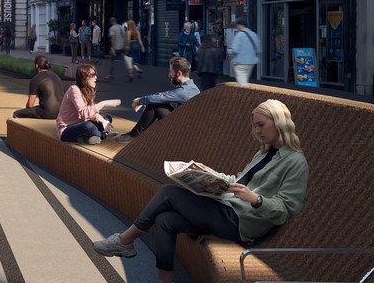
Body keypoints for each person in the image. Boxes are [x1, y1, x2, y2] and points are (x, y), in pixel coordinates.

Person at [93, 99, 309, 283]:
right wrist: (208, 173)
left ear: (278, 122)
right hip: (228, 209)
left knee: (169, 193)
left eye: (261, 125)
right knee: (165, 221)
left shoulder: (295, 161)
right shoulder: (264, 153)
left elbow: (287, 208)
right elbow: (238, 181)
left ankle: (125, 241)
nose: (257, 131)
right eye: (255, 126)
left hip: (242, 222)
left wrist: (256, 199)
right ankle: (164, 280)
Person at [115, 57, 200, 142]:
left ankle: (133, 135)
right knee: (157, 102)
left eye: (171, 72)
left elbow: (161, 97)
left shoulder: (184, 91)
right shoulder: (193, 87)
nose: (169, 75)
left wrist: (139, 101)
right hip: (186, 125)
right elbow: (162, 96)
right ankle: (136, 134)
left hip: (183, 132)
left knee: (154, 104)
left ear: (179, 73)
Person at [57, 63, 120, 145]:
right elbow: (83, 113)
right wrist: (103, 103)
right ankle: (103, 134)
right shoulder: (74, 90)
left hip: (82, 123)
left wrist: (103, 121)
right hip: (67, 130)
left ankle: (88, 137)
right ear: (85, 78)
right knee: (89, 126)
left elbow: (92, 113)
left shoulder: (88, 90)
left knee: (107, 118)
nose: (96, 78)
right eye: (93, 75)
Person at [12, 55, 64, 119]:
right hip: (61, 111)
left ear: (36, 66)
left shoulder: (36, 79)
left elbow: (30, 105)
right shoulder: (56, 76)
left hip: (47, 112)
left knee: (16, 114)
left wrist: (27, 112)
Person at [229, 18, 260, 84]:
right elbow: (258, 49)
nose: (236, 27)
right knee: (245, 79)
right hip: (252, 62)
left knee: (242, 81)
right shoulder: (254, 34)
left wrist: (229, 51)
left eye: (237, 25)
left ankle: (245, 93)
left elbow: (235, 50)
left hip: (240, 62)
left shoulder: (239, 35)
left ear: (240, 25)